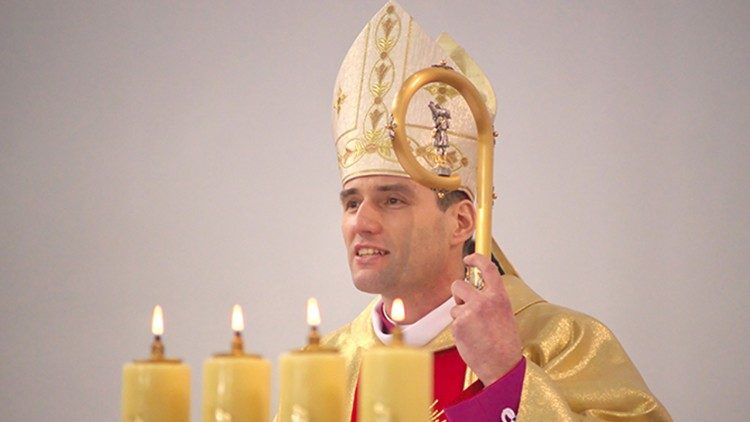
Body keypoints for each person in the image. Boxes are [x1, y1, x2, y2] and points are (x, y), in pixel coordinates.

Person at [324, 2, 672, 420]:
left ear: (461, 221)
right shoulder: (328, 365)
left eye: (392, 199)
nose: (361, 222)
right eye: (352, 202)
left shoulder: (559, 342)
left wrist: (506, 375)